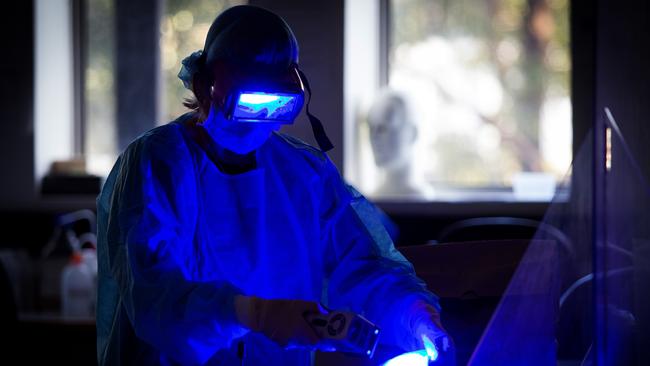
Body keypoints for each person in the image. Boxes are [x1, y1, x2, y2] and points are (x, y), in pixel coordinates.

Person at [96, 5, 449, 365]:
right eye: (249, 102)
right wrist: (250, 314)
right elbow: (155, 295)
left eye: (275, 106)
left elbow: (360, 264)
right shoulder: (160, 161)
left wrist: (413, 314)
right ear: (204, 87)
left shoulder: (303, 173)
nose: (260, 119)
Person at [367, 88, 434, 200]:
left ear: (412, 134)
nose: (374, 137)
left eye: (383, 128)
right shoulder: (374, 198)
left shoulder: (420, 197)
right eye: (371, 128)